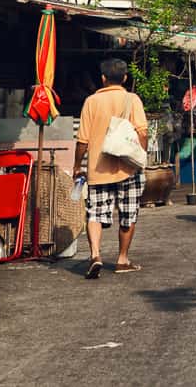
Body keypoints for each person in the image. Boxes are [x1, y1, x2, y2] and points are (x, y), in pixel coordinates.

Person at [74, 58, 149, 279]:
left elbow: (83, 140)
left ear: (103, 78)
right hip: (128, 169)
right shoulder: (132, 99)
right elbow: (143, 132)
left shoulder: (91, 101)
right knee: (128, 214)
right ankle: (122, 259)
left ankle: (95, 255)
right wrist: (140, 157)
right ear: (125, 78)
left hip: (98, 169)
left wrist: (78, 165)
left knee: (95, 214)